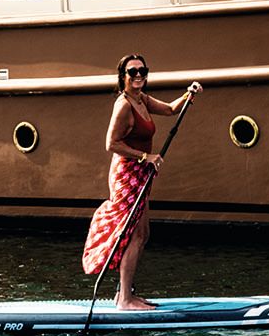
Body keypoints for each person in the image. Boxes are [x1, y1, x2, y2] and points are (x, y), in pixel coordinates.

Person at [82, 54, 199, 311]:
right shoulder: (123, 105)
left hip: (142, 171)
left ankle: (123, 293)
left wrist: (188, 95)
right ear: (122, 76)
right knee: (133, 233)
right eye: (132, 71)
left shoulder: (142, 99)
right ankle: (125, 300)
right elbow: (110, 144)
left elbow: (169, 110)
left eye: (142, 71)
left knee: (143, 233)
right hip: (127, 173)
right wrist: (147, 156)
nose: (138, 75)